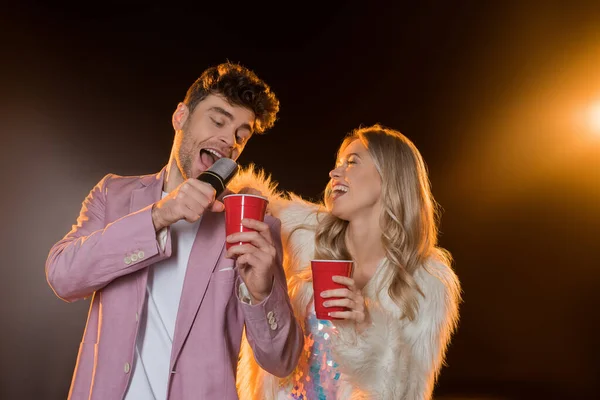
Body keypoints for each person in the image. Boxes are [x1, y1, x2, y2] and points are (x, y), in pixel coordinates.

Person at [45, 62, 303, 400]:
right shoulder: (113, 195)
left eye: (241, 135)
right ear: (180, 116)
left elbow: (282, 361)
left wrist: (262, 291)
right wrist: (158, 216)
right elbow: (63, 277)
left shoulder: (252, 223)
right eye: (218, 120)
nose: (229, 141)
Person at [236, 124, 462, 399]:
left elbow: (408, 393)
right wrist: (244, 193)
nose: (334, 172)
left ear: (390, 176)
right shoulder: (302, 235)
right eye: (337, 163)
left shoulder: (427, 281)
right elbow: (249, 206)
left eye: (352, 162)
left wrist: (368, 327)